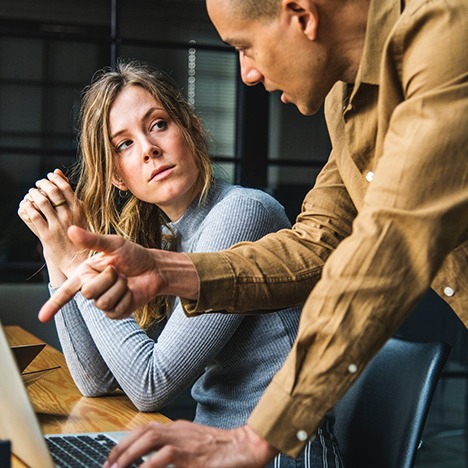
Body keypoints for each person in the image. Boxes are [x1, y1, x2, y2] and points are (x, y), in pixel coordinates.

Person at [37, 0, 467, 465]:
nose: (247, 73)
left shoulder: (446, 39)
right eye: (124, 144)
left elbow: (388, 247)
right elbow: (316, 244)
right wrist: (167, 269)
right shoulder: (345, 102)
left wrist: (260, 435)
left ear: (300, 15)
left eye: (245, 46)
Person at [19, 60, 343, 467]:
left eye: (157, 125)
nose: (149, 149)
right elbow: (96, 381)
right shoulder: (168, 237)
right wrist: (56, 249)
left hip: (279, 456)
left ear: (193, 129)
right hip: (212, 452)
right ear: (119, 177)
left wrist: (79, 260)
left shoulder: (242, 213)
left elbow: (150, 385)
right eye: (124, 145)